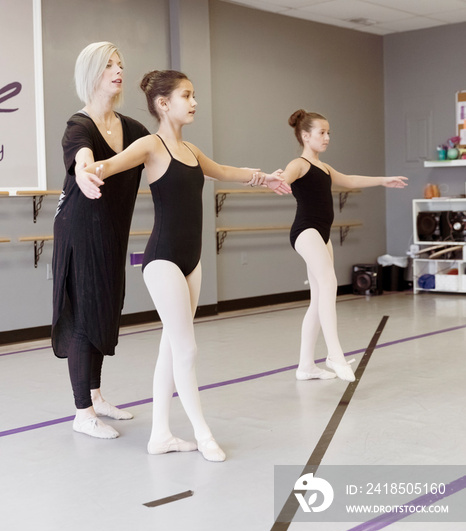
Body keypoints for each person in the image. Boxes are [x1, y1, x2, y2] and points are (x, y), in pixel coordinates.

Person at [78, 69, 290, 461]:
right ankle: (202, 433)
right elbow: (109, 165)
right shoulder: (150, 145)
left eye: (193, 95)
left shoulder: (192, 152)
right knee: (187, 350)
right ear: (163, 103)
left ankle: (160, 435)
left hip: (192, 261)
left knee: (171, 350)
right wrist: (86, 169)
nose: (193, 102)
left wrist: (266, 178)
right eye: (186, 95)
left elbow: (226, 172)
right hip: (162, 261)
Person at [52, 42, 150, 440]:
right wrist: (86, 173)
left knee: (105, 310)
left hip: (110, 233)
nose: (118, 70)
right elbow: (82, 158)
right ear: (91, 73)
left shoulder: (131, 128)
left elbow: (165, 151)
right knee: (83, 315)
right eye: (109, 65)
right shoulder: (80, 124)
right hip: (79, 229)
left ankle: (95, 394)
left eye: (120, 64)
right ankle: (82, 411)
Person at [282, 109, 407, 383]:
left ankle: (305, 366)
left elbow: (349, 180)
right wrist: (274, 179)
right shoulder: (299, 164)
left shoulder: (324, 168)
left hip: (322, 234)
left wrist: (384, 180)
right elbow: (285, 178)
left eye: (329, 133)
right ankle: (334, 354)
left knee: (318, 299)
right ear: (305, 136)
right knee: (329, 283)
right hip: (306, 231)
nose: (327, 138)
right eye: (322, 133)